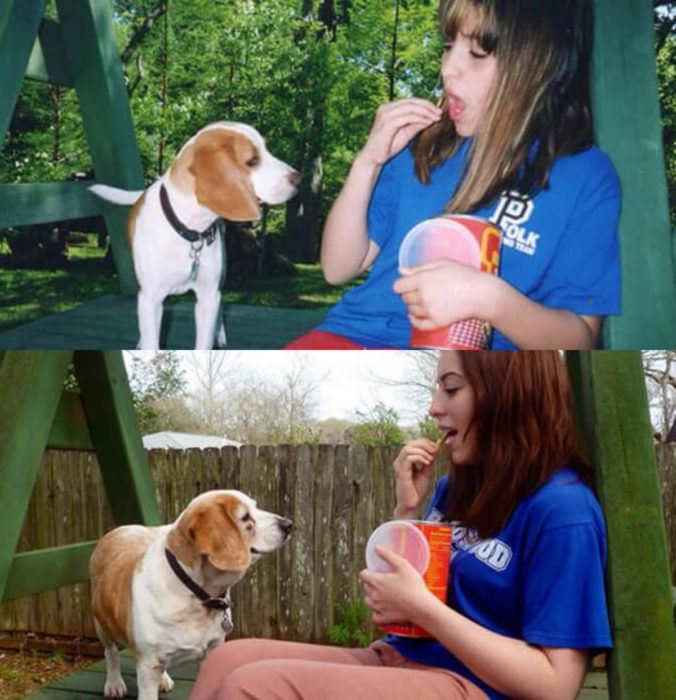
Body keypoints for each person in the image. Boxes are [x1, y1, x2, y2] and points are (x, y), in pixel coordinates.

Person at [190, 350, 612, 700]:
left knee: (255, 688)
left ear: (510, 395)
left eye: (451, 388)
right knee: (228, 659)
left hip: (477, 687)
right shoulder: (456, 490)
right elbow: (397, 612)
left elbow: (556, 685)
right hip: (405, 659)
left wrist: (422, 609)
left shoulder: (563, 511)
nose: (434, 406)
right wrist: (406, 510)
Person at [285, 0, 620, 350]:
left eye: (477, 52)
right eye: (448, 46)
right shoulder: (421, 145)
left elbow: (579, 336)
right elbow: (337, 269)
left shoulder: (583, 175)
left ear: (538, 63)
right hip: (354, 335)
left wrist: (488, 298)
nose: (448, 68)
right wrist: (368, 162)